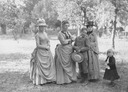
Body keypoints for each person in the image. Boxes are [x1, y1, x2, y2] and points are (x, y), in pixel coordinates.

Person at [30, 18, 56, 85]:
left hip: (47, 51)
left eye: (43, 26)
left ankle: (49, 79)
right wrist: (45, 47)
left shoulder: (45, 33)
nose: (42, 28)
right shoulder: (37, 35)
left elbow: (48, 41)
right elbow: (38, 45)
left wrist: (49, 45)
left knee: (49, 64)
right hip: (40, 52)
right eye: (41, 26)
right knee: (40, 65)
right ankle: (41, 80)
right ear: (38, 27)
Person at [54, 20, 77, 84]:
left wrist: (71, 39)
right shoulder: (60, 34)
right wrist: (70, 40)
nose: (66, 27)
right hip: (63, 50)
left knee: (70, 62)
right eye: (65, 25)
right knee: (63, 63)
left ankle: (70, 78)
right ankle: (64, 79)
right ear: (62, 26)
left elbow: (72, 38)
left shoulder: (68, 32)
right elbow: (63, 42)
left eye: (67, 25)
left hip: (69, 49)